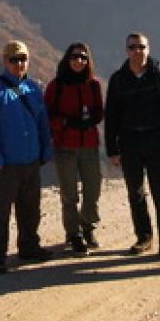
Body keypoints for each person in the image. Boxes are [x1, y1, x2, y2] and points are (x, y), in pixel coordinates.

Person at [104, 32, 160, 262]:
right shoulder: (118, 80)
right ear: (126, 51)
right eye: (132, 47)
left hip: (157, 143)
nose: (137, 51)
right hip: (130, 143)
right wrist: (112, 149)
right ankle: (144, 237)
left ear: (148, 49)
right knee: (136, 193)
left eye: (141, 47)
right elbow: (110, 115)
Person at [0, 40, 54, 274]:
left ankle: (29, 247)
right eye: (14, 60)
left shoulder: (32, 89)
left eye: (22, 59)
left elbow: (42, 122)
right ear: (4, 62)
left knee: (30, 208)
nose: (18, 64)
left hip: (31, 160)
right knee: (0, 211)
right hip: (6, 163)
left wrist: (45, 148)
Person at [45, 42, 104, 254]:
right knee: (69, 193)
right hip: (65, 146)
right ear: (67, 59)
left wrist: (92, 120)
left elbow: (99, 111)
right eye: (75, 57)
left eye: (83, 57)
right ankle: (74, 233)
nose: (79, 61)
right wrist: (65, 123)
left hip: (89, 145)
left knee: (93, 189)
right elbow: (47, 115)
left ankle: (87, 225)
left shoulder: (93, 85)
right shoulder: (57, 86)